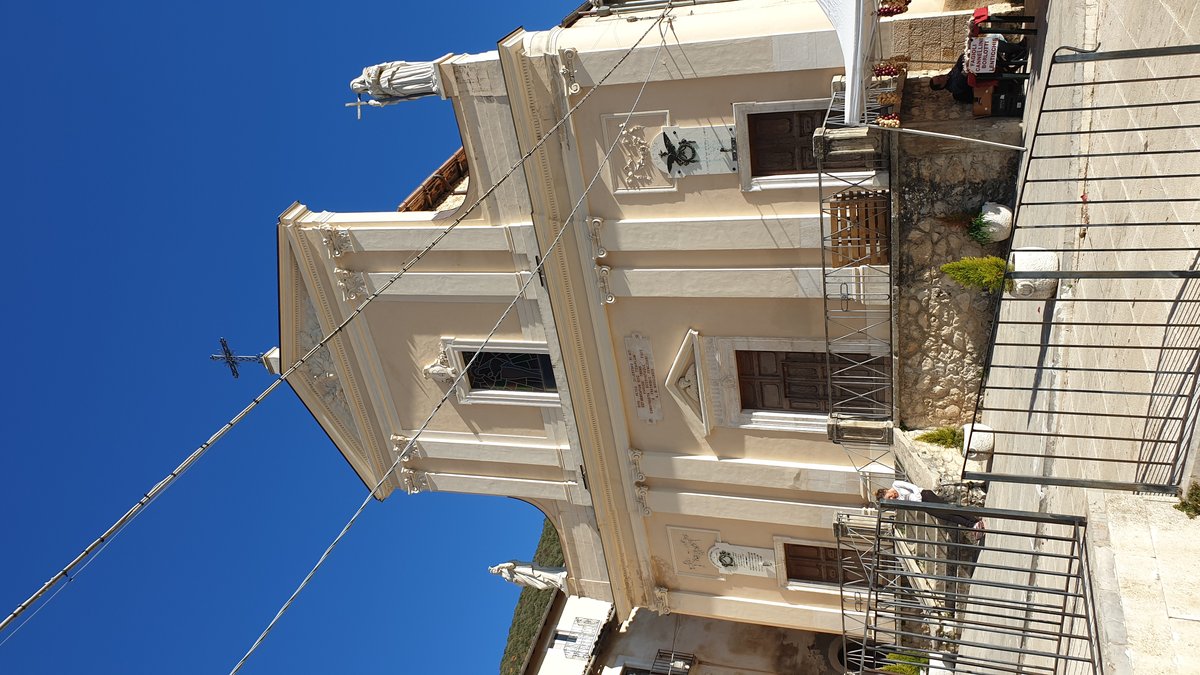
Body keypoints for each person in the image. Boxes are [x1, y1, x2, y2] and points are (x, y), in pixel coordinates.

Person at [876, 480, 985, 534]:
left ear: (886, 491)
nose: (891, 499)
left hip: (925, 496)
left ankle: (974, 521)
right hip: (923, 505)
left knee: (949, 510)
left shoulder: (896, 484)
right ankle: (971, 525)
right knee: (947, 516)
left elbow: (912, 487)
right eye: (889, 500)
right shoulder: (897, 500)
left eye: (889, 497)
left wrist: (918, 501)